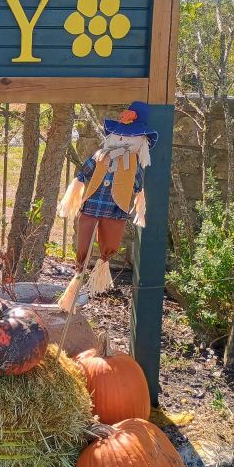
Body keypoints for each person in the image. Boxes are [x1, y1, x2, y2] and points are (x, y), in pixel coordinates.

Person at [56, 101, 157, 311]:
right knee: (84, 241)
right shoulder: (101, 155)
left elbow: (139, 187)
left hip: (114, 209)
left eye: (130, 136)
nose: (124, 139)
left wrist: (140, 203)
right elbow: (83, 173)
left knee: (109, 241)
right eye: (121, 134)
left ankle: (103, 264)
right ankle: (79, 272)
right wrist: (72, 194)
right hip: (92, 205)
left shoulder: (134, 164)